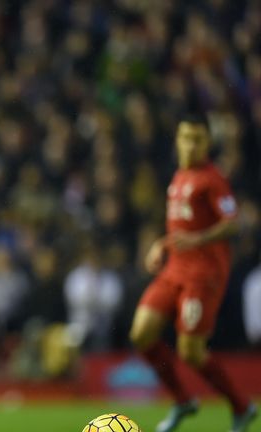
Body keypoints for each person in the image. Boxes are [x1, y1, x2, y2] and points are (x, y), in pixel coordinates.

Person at [128, 114, 257, 432]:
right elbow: (183, 225)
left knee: (191, 352)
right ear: (177, 140)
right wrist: (162, 244)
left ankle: (242, 407)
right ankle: (183, 401)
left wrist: (196, 240)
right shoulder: (180, 175)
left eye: (197, 139)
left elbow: (232, 223)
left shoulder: (212, 179)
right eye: (186, 138)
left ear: (207, 143)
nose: (190, 145)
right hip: (175, 269)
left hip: (204, 274)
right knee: (141, 333)